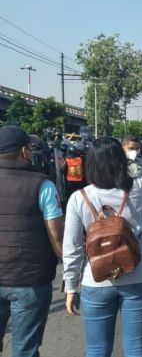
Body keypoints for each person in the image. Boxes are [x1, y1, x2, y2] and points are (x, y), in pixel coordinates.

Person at [62, 121, 142, 357]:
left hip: (96, 280)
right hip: (139, 277)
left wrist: (71, 286)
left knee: (97, 350)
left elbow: (71, 248)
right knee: (136, 347)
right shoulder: (140, 187)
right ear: (121, 162)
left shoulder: (79, 198)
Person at [0, 126, 64, 357]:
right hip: (30, 279)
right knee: (25, 349)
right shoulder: (42, 185)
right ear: (24, 151)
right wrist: (70, 272)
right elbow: (56, 234)